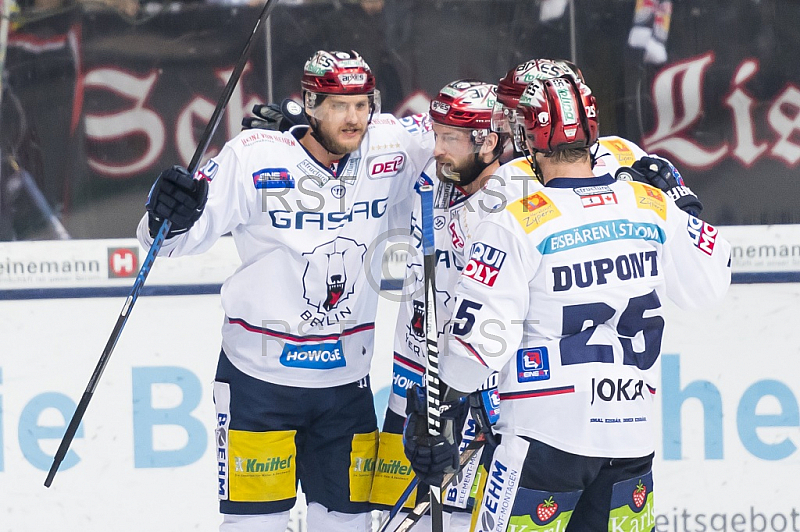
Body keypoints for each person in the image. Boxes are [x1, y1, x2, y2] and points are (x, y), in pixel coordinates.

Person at [403, 75, 731, 531]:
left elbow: (469, 357)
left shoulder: (516, 222)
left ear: (525, 137)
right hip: (631, 439)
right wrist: (682, 203)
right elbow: (711, 283)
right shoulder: (650, 204)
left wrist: (431, 406)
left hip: (544, 441)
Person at [137, 49, 433, 532]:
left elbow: (456, 133)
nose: (354, 117)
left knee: (348, 525)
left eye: (363, 104)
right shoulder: (254, 156)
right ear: (310, 103)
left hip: (345, 388)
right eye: (339, 105)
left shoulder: (390, 147)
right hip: (258, 382)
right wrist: (167, 214)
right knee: (256, 526)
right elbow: (169, 243)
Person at [371, 79, 506, 531]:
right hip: (411, 382)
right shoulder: (429, 177)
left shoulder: (519, 200)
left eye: (451, 138)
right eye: (437, 134)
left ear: (488, 142)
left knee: (470, 519)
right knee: (392, 517)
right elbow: (379, 128)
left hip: (481, 393)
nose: (438, 148)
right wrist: (291, 130)